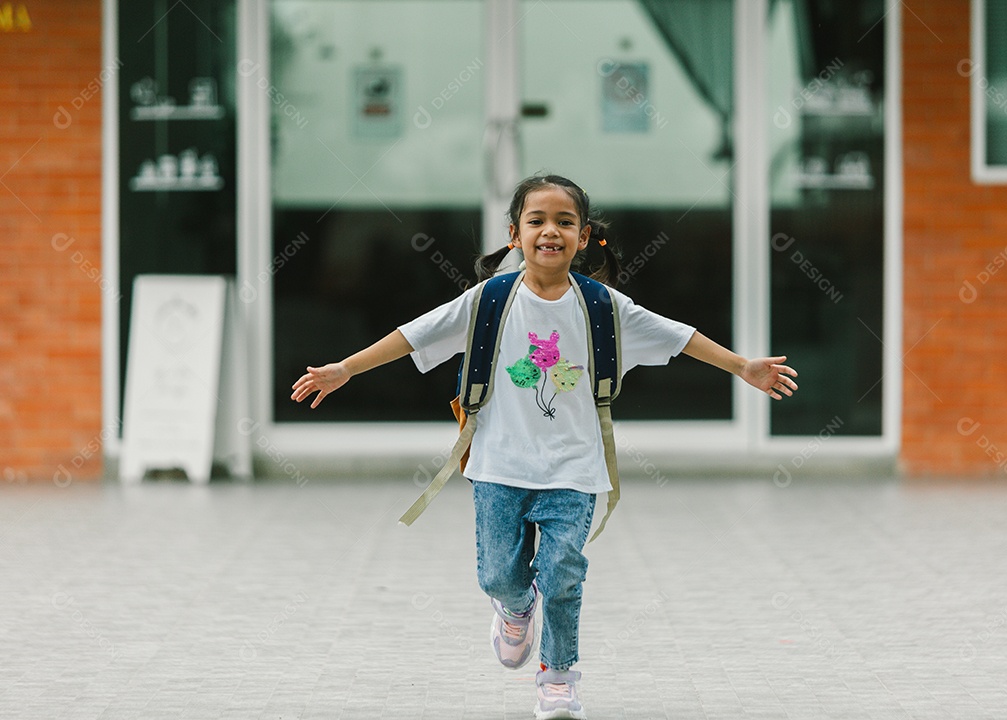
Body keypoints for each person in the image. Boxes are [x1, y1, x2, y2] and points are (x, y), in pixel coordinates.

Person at [290, 174, 798, 720]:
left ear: (583, 237)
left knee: (562, 572)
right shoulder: (488, 300)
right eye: (536, 221)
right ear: (514, 234)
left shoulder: (604, 306)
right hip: (497, 465)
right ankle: (514, 608)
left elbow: (679, 336)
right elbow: (414, 334)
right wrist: (346, 367)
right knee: (497, 576)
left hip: (574, 470)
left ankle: (558, 676)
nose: (549, 231)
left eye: (564, 222)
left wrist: (742, 365)